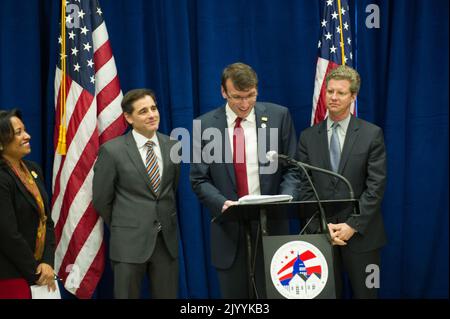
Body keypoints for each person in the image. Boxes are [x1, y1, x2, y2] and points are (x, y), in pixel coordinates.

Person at [190, 62, 298, 298]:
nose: (245, 104)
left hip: (272, 226)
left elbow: (293, 168)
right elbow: (199, 179)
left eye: (251, 96)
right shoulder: (205, 125)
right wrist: (222, 203)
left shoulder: (279, 116)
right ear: (223, 92)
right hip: (229, 229)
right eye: (237, 97)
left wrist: (285, 199)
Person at [297, 65, 387, 298]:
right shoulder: (308, 137)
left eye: (341, 93)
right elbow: (305, 187)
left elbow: (375, 187)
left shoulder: (371, 134)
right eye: (330, 91)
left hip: (361, 236)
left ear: (353, 96)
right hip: (321, 236)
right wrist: (322, 225)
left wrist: (352, 226)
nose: (334, 97)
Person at [93, 89, 180, 299]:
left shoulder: (173, 145)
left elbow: (170, 189)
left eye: (153, 108)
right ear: (128, 118)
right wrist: (127, 223)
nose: (151, 115)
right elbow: (101, 199)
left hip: (165, 243)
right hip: (128, 243)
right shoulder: (112, 151)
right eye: (143, 111)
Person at [0, 109, 56, 299]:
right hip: (10, 275)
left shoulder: (33, 169)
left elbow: (47, 220)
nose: (27, 136)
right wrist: (36, 270)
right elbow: (7, 234)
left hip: (42, 271)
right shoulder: (2, 178)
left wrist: (47, 262)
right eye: (18, 132)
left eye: (25, 130)